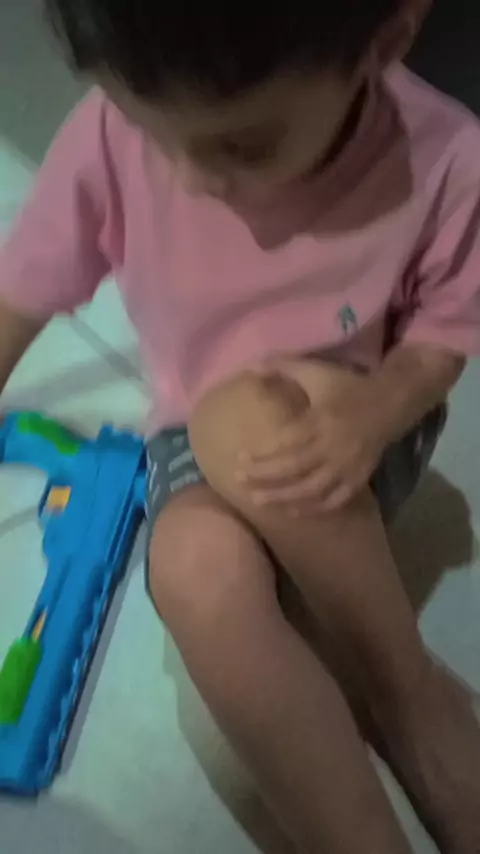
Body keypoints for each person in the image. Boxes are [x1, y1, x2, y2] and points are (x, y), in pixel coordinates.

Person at [1, 1, 480, 850]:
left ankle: (408, 696)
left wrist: (380, 409)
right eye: (154, 134)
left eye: (242, 145)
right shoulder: (110, 134)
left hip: (361, 435)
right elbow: (18, 298)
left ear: (384, 44)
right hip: (194, 448)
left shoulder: (444, 156)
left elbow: (445, 334)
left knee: (241, 416)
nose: (190, 180)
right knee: (191, 566)